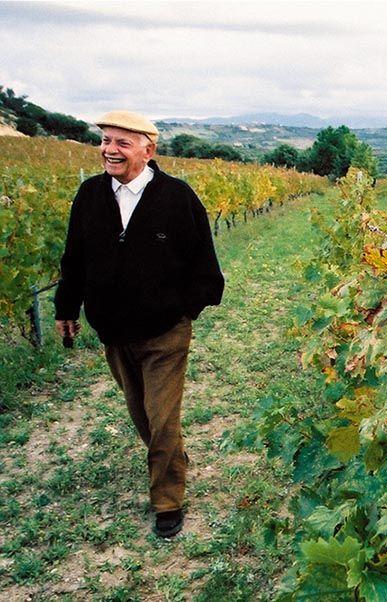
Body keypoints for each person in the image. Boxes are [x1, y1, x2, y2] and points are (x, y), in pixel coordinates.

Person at [54, 110, 224, 538]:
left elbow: (206, 269)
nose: (110, 150)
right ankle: (172, 461)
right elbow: (73, 259)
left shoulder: (177, 198)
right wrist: (67, 308)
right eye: (106, 141)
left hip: (165, 332)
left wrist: (182, 311)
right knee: (141, 414)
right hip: (113, 331)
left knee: (162, 417)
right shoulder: (90, 195)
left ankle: (167, 501)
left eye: (121, 143)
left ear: (148, 150)